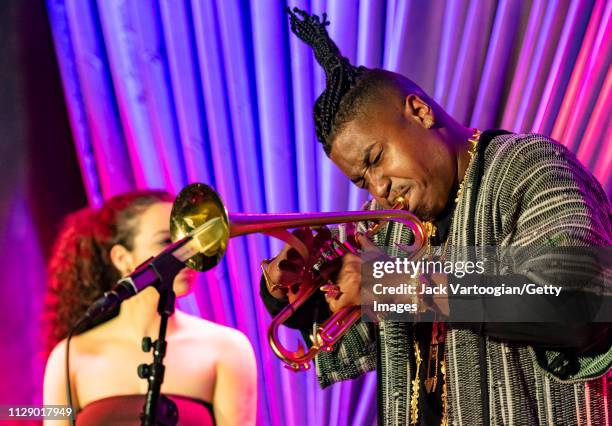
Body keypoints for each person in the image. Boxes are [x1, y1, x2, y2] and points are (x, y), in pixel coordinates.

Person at [260, 8, 611, 425]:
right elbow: (348, 343)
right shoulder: (384, 223)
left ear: (419, 110)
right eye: (362, 181)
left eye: (376, 159)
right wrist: (297, 292)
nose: (378, 189)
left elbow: (574, 300)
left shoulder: (528, 166)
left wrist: (396, 284)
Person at [43, 190, 257, 426]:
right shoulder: (70, 355)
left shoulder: (227, 348)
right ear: (122, 258)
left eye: (188, 240)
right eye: (166, 241)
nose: (186, 253)